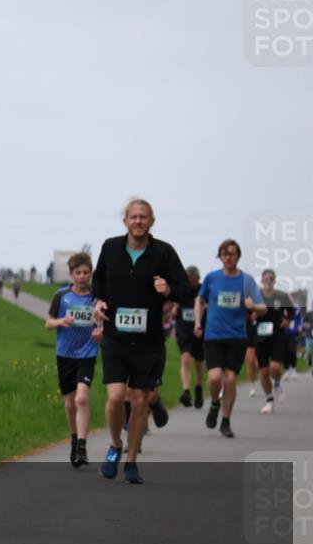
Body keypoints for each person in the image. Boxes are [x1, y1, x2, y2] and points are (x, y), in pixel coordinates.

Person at [92, 198, 192, 484]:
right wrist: (98, 302)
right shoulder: (111, 248)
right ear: (125, 221)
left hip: (148, 342)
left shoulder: (164, 253)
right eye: (133, 217)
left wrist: (168, 289)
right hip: (115, 338)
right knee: (115, 399)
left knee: (139, 402)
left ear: (152, 221)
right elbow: (98, 283)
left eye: (143, 217)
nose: (138, 221)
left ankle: (132, 462)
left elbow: (186, 292)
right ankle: (115, 445)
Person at [194, 239, 267, 438]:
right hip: (214, 335)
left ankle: (225, 421)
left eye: (232, 254)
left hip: (237, 336)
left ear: (238, 256)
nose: (228, 257)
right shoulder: (212, 278)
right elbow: (199, 301)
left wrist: (253, 305)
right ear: (220, 256)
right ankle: (215, 404)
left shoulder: (247, 281)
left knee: (231, 379)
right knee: (215, 377)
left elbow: (263, 308)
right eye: (225, 254)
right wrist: (197, 323)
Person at [45, 252, 102, 468]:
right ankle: (73, 437)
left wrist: (100, 333)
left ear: (91, 273)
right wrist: (61, 321)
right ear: (71, 274)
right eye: (78, 273)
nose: (82, 276)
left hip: (87, 354)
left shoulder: (96, 297)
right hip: (65, 354)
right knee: (70, 404)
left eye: (86, 272)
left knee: (81, 399)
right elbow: (48, 323)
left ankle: (82, 446)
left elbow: (102, 324)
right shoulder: (61, 296)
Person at [254, 269, 294, 414]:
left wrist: (287, 320)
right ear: (262, 280)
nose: (268, 281)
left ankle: (277, 384)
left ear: (274, 281)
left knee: (275, 368)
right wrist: (251, 316)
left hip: (277, 336)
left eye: (271, 279)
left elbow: (291, 312)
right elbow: (247, 313)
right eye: (266, 279)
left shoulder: (281, 296)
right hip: (260, 338)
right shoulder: (256, 296)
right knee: (264, 372)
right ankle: (269, 401)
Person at [172, 266, 206, 408]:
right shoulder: (181, 288)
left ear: (198, 279)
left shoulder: (203, 289)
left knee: (198, 364)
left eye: (194, 280)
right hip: (184, 329)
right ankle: (186, 391)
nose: (191, 283)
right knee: (185, 360)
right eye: (189, 280)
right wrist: (175, 307)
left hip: (199, 330)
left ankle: (198, 388)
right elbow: (175, 303)